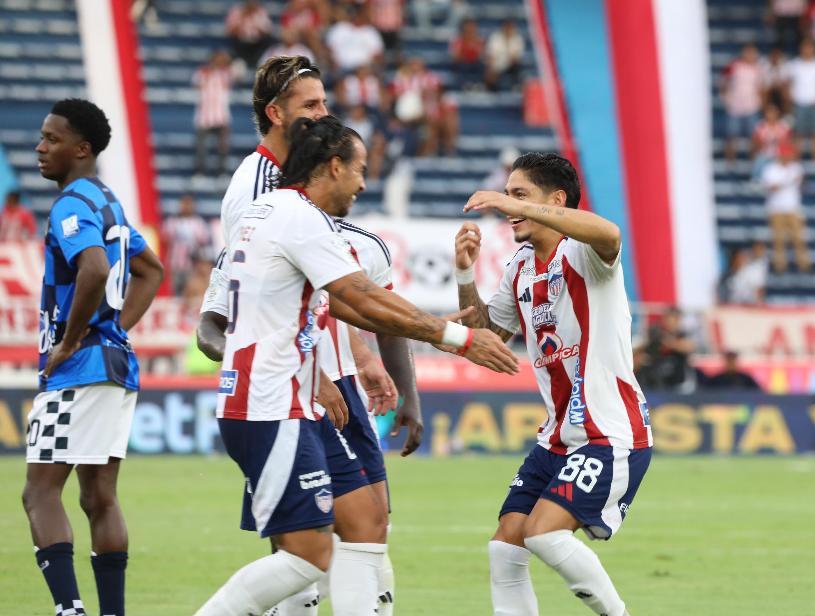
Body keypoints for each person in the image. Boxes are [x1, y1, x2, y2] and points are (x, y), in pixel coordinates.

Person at [194, 116, 517, 616]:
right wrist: (456, 337)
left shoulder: (272, 212)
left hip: (290, 401)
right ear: (334, 166)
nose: (364, 183)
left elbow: (344, 303)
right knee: (307, 557)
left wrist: (429, 327)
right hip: (270, 404)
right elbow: (360, 296)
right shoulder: (299, 218)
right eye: (360, 169)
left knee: (366, 522)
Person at [194, 56, 436, 616]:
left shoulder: (309, 192)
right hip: (291, 387)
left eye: (325, 102)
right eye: (311, 104)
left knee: (366, 525)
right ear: (275, 113)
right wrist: (312, 375)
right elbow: (242, 302)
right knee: (308, 546)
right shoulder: (257, 191)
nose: (324, 112)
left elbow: (325, 291)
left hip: (328, 376)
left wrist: (360, 353)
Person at [453, 152, 652, 615]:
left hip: (608, 431)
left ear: (556, 200)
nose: (509, 205)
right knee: (505, 545)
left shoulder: (584, 252)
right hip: (558, 438)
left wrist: (514, 205)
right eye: (508, 195)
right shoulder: (520, 267)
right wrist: (464, 273)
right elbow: (487, 337)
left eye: (519, 194)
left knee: (543, 533)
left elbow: (610, 233)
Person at [24, 98, 164, 616]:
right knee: (98, 497)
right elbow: (151, 270)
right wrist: (114, 329)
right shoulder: (109, 202)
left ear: (81, 149)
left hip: (79, 369)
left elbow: (95, 269)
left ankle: (70, 610)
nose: (40, 147)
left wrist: (69, 339)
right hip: (115, 365)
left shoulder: (70, 205)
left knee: (39, 493)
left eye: (52, 138)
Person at [762, 142, 810, 273]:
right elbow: (771, 188)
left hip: (793, 208)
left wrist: (802, 181)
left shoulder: (796, 168)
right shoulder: (771, 169)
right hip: (776, 209)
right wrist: (787, 181)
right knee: (778, 240)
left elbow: (803, 187)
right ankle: (780, 267)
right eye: (786, 155)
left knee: (799, 238)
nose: (788, 157)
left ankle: (804, 265)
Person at [785, 40, 815, 161]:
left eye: (809, 47)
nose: (807, 50)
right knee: (798, 134)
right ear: (800, 49)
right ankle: (795, 161)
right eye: (805, 47)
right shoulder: (794, 65)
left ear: (814, 49)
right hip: (799, 104)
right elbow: (787, 83)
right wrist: (789, 99)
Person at [193, 50, 235, 176]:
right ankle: (199, 171)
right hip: (204, 116)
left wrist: (227, 62)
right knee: (201, 147)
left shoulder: (226, 73)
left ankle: (222, 171)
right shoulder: (202, 72)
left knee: (223, 146)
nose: (219, 62)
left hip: (221, 116)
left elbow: (237, 74)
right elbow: (196, 83)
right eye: (217, 59)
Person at [634, 306, 696, 390]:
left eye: (672, 319)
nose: (669, 322)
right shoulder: (656, 334)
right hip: (654, 380)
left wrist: (669, 343)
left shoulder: (681, 335)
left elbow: (689, 347)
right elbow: (643, 351)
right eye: (667, 318)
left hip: (676, 382)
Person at [722, 43, 765, 163]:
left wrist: (761, 101)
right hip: (735, 106)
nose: (750, 55)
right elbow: (724, 82)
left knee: (754, 136)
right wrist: (726, 98)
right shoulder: (734, 66)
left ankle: (753, 160)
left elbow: (761, 87)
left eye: (753, 53)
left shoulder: (758, 68)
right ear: (743, 53)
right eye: (748, 52)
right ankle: (730, 162)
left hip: (752, 106)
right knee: (731, 135)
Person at [162, 194, 212, 295]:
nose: (186, 207)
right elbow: (164, 241)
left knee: (189, 291)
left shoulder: (199, 223)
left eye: (189, 204)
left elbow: (203, 244)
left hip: (191, 266)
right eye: (184, 204)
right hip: (174, 265)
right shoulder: (172, 222)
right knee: (173, 293)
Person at [325, 5, 384, 74]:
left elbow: (378, 54)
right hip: (342, 69)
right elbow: (328, 49)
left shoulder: (371, 32)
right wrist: (333, 63)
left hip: (364, 71)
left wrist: (373, 68)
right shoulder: (340, 28)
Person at [225, 0, 274, 69]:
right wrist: (242, 17)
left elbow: (267, 30)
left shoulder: (261, 12)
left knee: (268, 43)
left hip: (258, 43)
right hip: (240, 42)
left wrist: (255, 19)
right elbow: (230, 31)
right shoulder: (237, 11)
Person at [751, 103, 793, 181]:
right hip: (764, 153)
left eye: (773, 112)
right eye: (769, 113)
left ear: (777, 113)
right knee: (759, 161)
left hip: (779, 155)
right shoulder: (760, 125)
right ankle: (756, 181)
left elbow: (787, 142)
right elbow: (756, 142)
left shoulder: (784, 126)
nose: (771, 115)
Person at [485, 19, 524, 91]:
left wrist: (508, 43)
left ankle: (516, 87)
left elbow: (515, 57)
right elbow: (491, 56)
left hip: (510, 66)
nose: (508, 30)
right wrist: (492, 68)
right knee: (489, 71)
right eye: (507, 28)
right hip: (497, 65)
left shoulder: (517, 38)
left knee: (517, 66)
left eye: (510, 28)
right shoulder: (495, 38)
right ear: (503, 28)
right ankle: (491, 90)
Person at [450, 18, 486, 90]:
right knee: (462, 66)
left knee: (483, 66)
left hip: (476, 63)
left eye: (472, 27)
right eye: (468, 27)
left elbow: (482, 54)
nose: (470, 30)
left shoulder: (479, 40)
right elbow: (454, 57)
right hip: (463, 63)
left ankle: (480, 85)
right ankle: (464, 86)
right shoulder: (457, 40)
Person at [368, 0, 405, 65]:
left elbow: (401, 7)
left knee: (398, 52)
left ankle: (399, 66)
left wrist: (399, 21)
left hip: (394, 26)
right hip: (379, 26)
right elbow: (370, 7)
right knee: (379, 51)